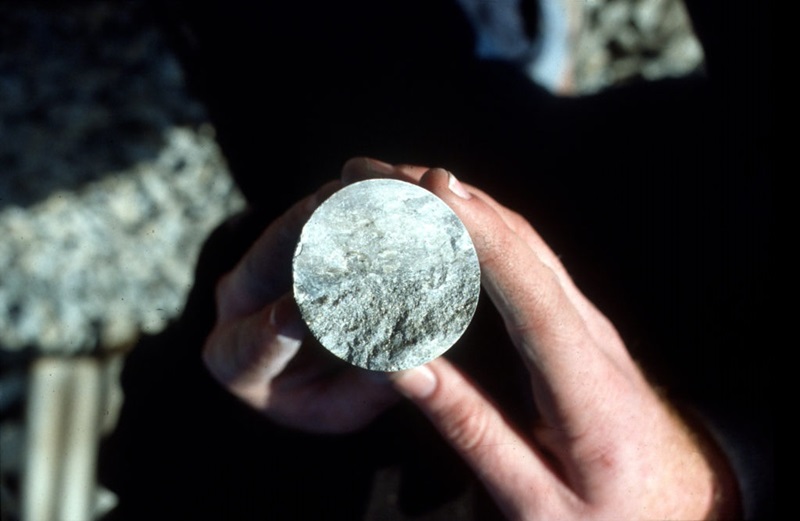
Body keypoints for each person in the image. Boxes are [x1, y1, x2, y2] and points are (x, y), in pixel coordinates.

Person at [100, 0, 771, 519]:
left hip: (352, 411)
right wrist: (722, 486)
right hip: (709, 238)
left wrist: (220, 405)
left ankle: (487, 91)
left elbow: (163, 470)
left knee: (313, 94)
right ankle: (502, 93)